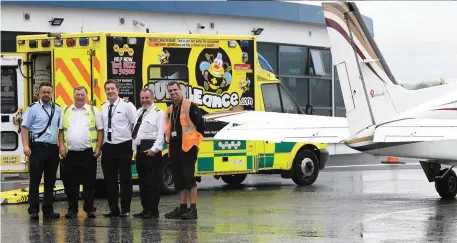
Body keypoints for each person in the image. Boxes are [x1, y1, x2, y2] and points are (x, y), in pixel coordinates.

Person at [58, 86, 104, 219]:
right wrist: (61, 146)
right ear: (73, 95)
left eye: (82, 95)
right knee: (70, 184)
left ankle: (89, 209)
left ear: (86, 96)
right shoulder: (66, 110)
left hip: (88, 153)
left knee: (89, 183)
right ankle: (72, 209)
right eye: (77, 94)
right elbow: (61, 131)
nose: (79, 97)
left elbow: (100, 130)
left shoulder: (94, 111)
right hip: (70, 153)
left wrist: (98, 148)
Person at [164, 81, 205, 220]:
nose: (173, 92)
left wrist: (195, 144)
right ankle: (182, 207)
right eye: (170, 91)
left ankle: (193, 209)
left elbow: (200, 126)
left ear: (181, 90)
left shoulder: (190, 106)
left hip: (188, 147)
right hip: (175, 147)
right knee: (178, 179)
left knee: (189, 178)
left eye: (175, 90)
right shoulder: (170, 109)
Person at [21, 82, 62, 220]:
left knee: (51, 181)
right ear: (38, 93)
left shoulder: (57, 109)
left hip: (52, 149)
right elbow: (24, 128)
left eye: (48, 92)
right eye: (43, 92)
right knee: (35, 180)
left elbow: (60, 129)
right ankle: (33, 210)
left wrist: (61, 145)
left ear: (52, 93)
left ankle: (48, 210)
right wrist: (26, 146)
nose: (46, 95)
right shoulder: (32, 109)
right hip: (37, 148)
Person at [100, 80, 137, 217]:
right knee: (110, 180)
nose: (110, 91)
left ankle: (125, 209)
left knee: (126, 179)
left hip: (124, 146)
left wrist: (134, 147)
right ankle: (113, 209)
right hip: (108, 146)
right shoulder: (103, 107)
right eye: (107, 89)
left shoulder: (127, 106)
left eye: (112, 89)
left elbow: (135, 125)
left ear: (118, 90)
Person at [132, 88, 166, 219]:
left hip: (151, 152)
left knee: (153, 183)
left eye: (147, 98)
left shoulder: (159, 113)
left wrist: (154, 149)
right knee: (143, 182)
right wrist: (135, 150)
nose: (144, 100)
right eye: (142, 98)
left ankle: (153, 210)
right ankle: (145, 209)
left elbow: (160, 134)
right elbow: (136, 133)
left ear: (152, 98)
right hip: (140, 150)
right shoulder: (139, 112)